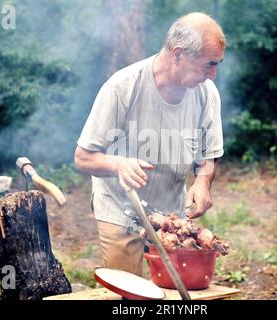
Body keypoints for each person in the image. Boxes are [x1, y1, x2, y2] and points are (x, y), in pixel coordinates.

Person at [74, 12, 226, 276]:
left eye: (217, 65)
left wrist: (202, 182)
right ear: (178, 54)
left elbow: (207, 155)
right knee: (129, 295)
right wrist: (118, 163)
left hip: (172, 214)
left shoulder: (207, 93)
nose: (213, 75)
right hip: (120, 209)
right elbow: (83, 157)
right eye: (208, 65)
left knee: (172, 291)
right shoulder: (122, 88)